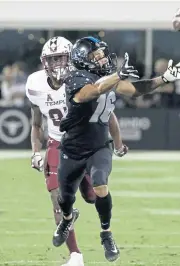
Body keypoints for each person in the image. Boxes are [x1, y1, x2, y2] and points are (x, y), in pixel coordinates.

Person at [52, 36, 180, 262]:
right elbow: (91, 92)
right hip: (72, 147)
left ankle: (106, 234)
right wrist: (117, 75)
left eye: (102, 55)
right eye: (95, 57)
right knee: (65, 198)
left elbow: (136, 90)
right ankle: (68, 219)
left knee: (100, 183)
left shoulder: (110, 79)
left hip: (99, 146)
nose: (101, 60)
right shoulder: (75, 78)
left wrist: (165, 78)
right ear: (82, 60)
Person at [26, 36, 127, 266]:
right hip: (57, 142)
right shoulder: (35, 83)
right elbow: (36, 123)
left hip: (85, 143)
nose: (57, 64)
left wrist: (118, 144)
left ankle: (90, 223)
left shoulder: (84, 78)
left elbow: (107, 113)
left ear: (72, 57)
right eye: (52, 60)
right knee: (56, 195)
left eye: (61, 58)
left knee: (92, 196)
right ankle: (75, 255)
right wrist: (35, 151)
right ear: (44, 62)